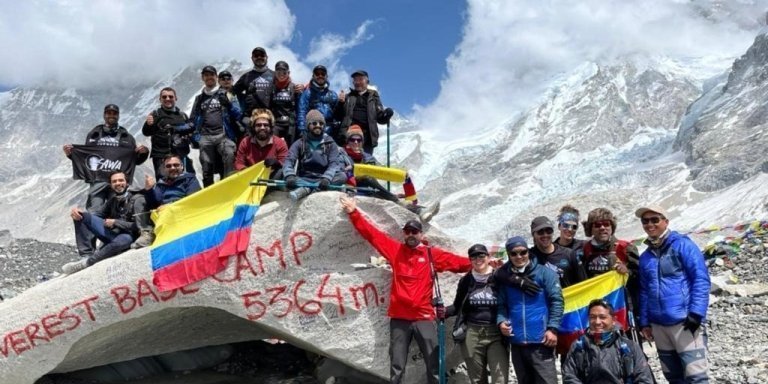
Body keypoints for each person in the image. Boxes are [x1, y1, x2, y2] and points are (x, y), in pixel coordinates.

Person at [339, 195, 471, 384]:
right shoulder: (395, 251)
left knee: (434, 363)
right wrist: (353, 212)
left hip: (424, 317)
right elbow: (372, 235)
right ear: (404, 234)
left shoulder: (431, 255)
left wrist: (484, 262)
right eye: (407, 231)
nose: (410, 234)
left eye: (414, 231)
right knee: (397, 365)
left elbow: (458, 263)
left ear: (420, 234)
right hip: (399, 318)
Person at [636, 205, 710, 384]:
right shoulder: (646, 256)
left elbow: (700, 279)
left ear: (666, 221)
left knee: (696, 376)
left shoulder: (683, 245)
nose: (650, 224)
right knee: (673, 376)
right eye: (645, 221)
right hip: (658, 326)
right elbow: (644, 291)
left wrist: (696, 313)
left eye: (655, 219)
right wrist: (645, 322)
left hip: (684, 322)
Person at [63, 104, 149, 256]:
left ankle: (108, 245)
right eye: (108, 113)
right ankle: (88, 252)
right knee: (94, 212)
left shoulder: (126, 136)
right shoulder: (94, 134)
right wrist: (71, 154)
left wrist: (143, 152)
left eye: (114, 113)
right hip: (98, 181)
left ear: (118, 115)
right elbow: (86, 157)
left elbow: (134, 159)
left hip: (117, 182)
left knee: (115, 213)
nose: (111, 115)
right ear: (104, 115)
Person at [496, 236, 563, 384]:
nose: (519, 256)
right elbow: (501, 305)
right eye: (514, 253)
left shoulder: (545, 273)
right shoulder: (505, 278)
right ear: (508, 254)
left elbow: (557, 302)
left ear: (528, 251)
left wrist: (552, 329)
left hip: (541, 342)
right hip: (517, 342)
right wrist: (501, 322)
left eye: (523, 252)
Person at [340, 125, 440, 221]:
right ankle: (415, 208)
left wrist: (401, 175)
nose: (356, 142)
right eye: (352, 139)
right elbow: (337, 172)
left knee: (388, 197)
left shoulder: (368, 157)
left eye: (359, 139)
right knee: (367, 178)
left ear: (362, 141)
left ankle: (421, 211)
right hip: (351, 187)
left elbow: (381, 171)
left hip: (369, 189)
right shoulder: (341, 154)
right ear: (348, 141)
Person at [446, 244, 508, 384]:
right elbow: (457, 306)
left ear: (488, 257)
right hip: (472, 334)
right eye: (473, 257)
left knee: (500, 378)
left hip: (496, 333)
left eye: (481, 256)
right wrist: (441, 311)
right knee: (477, 379)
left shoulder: (499, 277)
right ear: (470, 260)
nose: (478, 259)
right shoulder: (466, 280)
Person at [62, 171, 140, 274]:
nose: (117, 183)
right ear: (111, 185)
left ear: (127, 182)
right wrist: (79, 213)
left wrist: (116, 222)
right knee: (81, 216)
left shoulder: (137, 199)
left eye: (121, 180)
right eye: (114, 181)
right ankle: (85, 255)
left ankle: (88, 262)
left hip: (128, 236)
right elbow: (97, 215)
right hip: (113, 234)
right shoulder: (113, 200)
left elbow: (139, 226)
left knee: (123, 240)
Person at [562, 300, 655, 384]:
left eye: (602, 317)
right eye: (592, 317)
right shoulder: (579, 347)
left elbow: (644, 379)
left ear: (613, 320)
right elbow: (569, 378)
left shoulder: (630, 347)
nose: (597, 322)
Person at [190, 65, 243, 187]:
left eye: (211, 75)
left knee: (229, 156)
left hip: (224, 134)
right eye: (206, 75)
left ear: (216, 77)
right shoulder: (199, 99)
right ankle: (209, 192)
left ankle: (229, 186)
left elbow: (238, 113)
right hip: (205, 137)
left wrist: (229, 105)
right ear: (203, 78)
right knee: (206, 166)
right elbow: (193, 118)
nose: (209, 77)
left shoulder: (226, 93)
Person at [282, 110, 345, 201]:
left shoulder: (331, 143)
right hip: (304, 178)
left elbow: (334, 164)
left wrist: (327, 178)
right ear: (308, 125)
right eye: (314, 123)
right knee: (284, 175)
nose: (318, 125)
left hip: (323, 179)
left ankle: (307, 190)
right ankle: (314, 189)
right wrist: (289, 175)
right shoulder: (300, 142)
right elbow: (288, 160)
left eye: (321, 123)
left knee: (342, 176)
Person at [142, 87, 195, 177]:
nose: (167, 99)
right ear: (160, 99)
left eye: (170, 96)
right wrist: (148, 124)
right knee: (164, 185)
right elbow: (146, 132)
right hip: (161, 157)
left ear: (176, 98)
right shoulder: (155, 115)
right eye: (164, 97)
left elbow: (191, 131)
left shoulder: (183, 116)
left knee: (188, 182)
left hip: (181, 155)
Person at [335, 69, 394, 151]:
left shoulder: (373, 96)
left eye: (360, 79)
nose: (358, 82)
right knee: (347, 162)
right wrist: (340, 103)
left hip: (367, 139)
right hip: (348, 138)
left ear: (367, 81)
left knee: (366, 161)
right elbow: (337, 116)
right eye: (355, 80)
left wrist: (387, 114)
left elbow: (380, 119)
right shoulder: (348, 97)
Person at [528, 216, 586, 288]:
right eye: (540, 232)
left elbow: (584, 283)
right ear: (533, 234)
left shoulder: (569, 254)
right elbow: (511, 270)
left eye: (549, 231)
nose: (545, 235)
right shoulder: (528, 257)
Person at [234, 109, 289, 178]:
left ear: (271, 127)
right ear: (253, 127)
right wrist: (247, 171)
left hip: (271, 177)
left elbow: (286, 163)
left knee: (281, 172)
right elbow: (239, 163)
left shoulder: (280, 143)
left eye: (266, 125)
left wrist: (277, 163)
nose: (262, 128)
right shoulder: (245, 142)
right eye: (258, 125)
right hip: (250, 177)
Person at [297, 65, 338, 138]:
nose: (320, 76)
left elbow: (338, 113)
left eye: (323, 74)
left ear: (326, 76)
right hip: (312, 130)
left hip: (330, 132)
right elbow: (301, 112)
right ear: (313, 76)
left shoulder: (333, 94)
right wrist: (302, 129)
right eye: (317, 74)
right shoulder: (307, 93)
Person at [233, 47, 274, 119]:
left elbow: (286, 89)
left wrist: (298, 88)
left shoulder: (274, 75)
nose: (259, 57)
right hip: (251, 117)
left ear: (267, 57)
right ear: (252, 58)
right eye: (256, 56)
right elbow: (232, 92)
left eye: (262, 55)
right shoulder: (246, 76)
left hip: (270, 117)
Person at [270, 60, 300, 146]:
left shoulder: (294, 88)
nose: (281, 74)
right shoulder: (271, 87)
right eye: (278, 71)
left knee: (290, 147)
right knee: (273, 146)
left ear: (288, 72)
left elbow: (299, 106)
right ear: (275, 72)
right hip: (276, 123)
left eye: (284, 71)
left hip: (290, 123)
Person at [218, 70, 248, 143]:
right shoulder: (215, 97)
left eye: (228, 78)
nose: (226, 80)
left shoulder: (241, 95)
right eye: (223, 79)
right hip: (224, 133)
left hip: (242, 130)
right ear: (219, 81)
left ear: (232, 80)